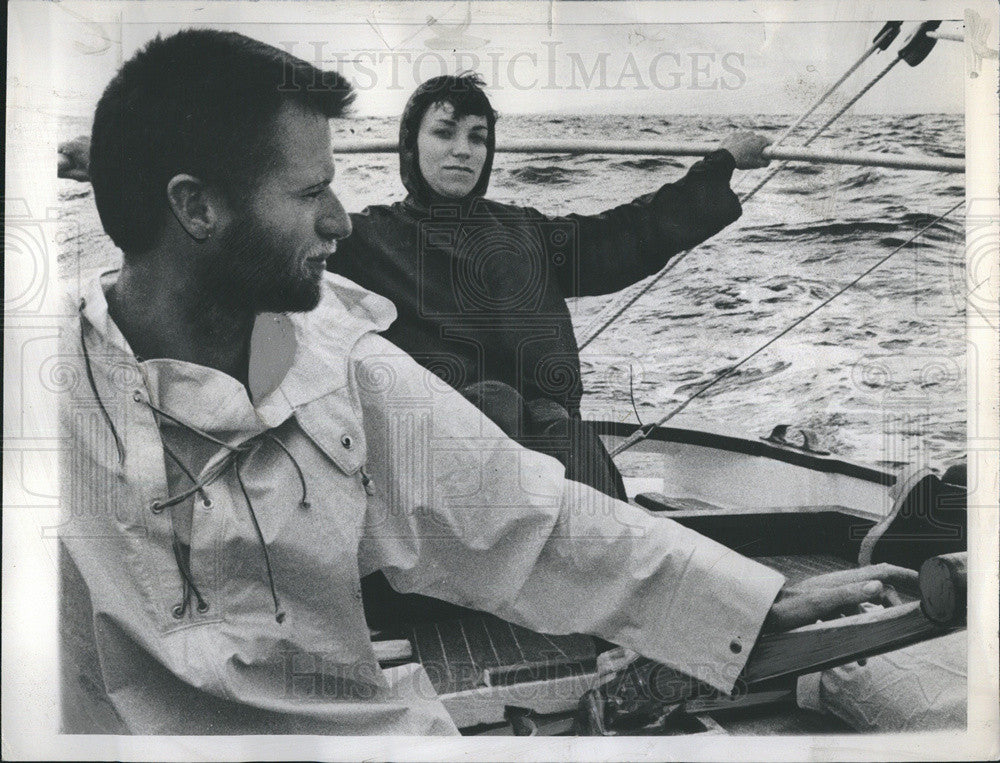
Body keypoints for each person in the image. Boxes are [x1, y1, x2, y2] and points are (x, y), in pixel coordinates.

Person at [61, 29, 915, 735]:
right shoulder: (57, 391)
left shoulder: (381, 343)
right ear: (195, 205)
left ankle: (634, 662)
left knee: (559, 440)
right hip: (433, 524)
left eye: (478, 136)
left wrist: (749, 600)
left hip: (495, 503)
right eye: (313, 189)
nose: (337, 219)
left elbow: (532, 512)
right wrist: (119, 167)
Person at [330, 73, 771, 505]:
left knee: (576, 468)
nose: (462, 151)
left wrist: (722, 163)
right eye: (444, 133)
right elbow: (277, 243)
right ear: (411, 144)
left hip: (555, 451)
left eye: (478, 137)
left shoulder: (525, 230)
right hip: (450, 465)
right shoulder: (362, 240)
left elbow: (631, 233)